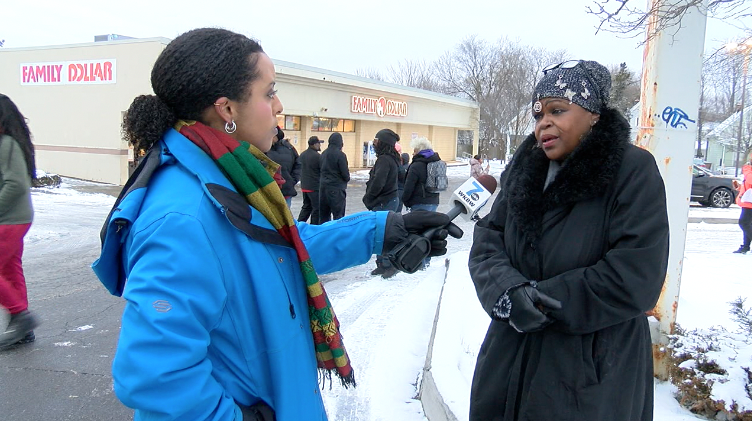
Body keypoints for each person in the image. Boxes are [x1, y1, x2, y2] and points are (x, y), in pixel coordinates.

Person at [90, 28, 458, 421]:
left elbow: (279, 248)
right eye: (269, 93)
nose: (279, 105)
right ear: (226, 110)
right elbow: (152, 375)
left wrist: (382, 229)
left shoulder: (230, 176)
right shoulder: (181, 219)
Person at [468, 60, 670, 421]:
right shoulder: (522, 170)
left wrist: (543, 302)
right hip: (509, 357)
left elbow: (636, 275)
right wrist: (508, 292)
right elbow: (488, 239)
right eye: (538, 114)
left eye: (557, 110)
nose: (543, 122)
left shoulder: (632, 171)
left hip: (592, 372)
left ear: (593, 114)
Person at [0, 94, 39, 350]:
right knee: (10, 269)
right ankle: (21, 327)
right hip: (16, 217)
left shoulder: (6, 144)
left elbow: (15, 183)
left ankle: (20, 316)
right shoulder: (8, 143)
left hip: (9, 219)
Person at [364, 129, 401, 278]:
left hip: (384, 201)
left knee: (384, 234)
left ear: (383, 142)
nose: (374, 143)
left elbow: (379, 182)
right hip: (386, 200)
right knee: (381, 233)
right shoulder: (389, 159)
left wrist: (369, 197)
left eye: (376, 140)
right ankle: (382, 263)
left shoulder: (385, 160)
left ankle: (389, 264)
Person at [402, 136, 443, 270]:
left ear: (419, 150)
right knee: (430, 232)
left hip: (419, 203)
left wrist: (406, 200)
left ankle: (419, 263)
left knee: (418, 234)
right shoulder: (436, 162)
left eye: (414, 150)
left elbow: (409, 186)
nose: (412, 153)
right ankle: (427, 260)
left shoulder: (416, 165)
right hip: (433, 201)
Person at [265, 126, 300, 208]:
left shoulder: (289, 148)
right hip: (269, 191)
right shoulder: (264, 147)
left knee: (285, 218)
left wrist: (292, 180)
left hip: (286, 190)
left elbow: (298, 164)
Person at [319, 132, 350, 222]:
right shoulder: (340, 155)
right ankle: (338, 234)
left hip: (323, 188)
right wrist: (346, 179)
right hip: (336, 189)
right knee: (338, 216)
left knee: (324, 216)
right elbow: (345, 174)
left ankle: (324, 234)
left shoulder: (323, 154)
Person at [297, 135, 323, 224]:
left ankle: (299, 224)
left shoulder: (302, 154)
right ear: (314, 144)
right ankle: (314, 226)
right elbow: (322, 170)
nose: (320, 145)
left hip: (304, 185)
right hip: (314, 186)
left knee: (306, 206)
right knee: (317, 208)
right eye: (319, 143)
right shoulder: (317, 156)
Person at [733, 153, 752, 254]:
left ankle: (746, 246)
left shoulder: (748, 171)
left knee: (744, 223)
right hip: (748, 201)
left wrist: (747, 169)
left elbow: (750, 179)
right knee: (748, 224)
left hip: (749, 203)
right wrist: (740, 188)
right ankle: (745, 246)